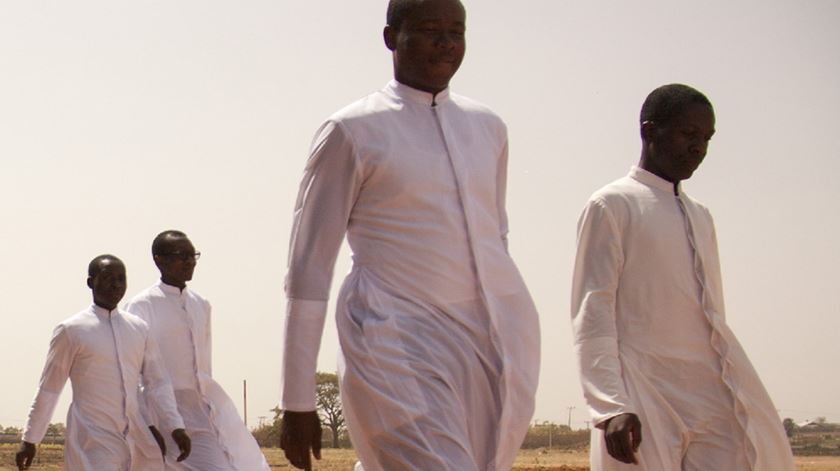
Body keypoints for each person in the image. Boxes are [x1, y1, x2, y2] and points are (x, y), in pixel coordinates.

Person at [279, 0, 540, 470]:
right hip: (390, 334)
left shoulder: (488, 127)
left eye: (456, 31)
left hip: (480, 341)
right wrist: (298, 399)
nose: (446, 42)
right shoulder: (352, 130)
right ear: (390, 37)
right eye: (428, 30)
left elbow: (493, 236)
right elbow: (308, 268)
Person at [571, 83, 795, 470]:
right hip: (644, 389)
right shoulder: (612, 204)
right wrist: (611, 405)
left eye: (706, 138)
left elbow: (714, 313)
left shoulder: (701, 216)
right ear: (649, 130)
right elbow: (593, 309)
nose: (699, 148)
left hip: (709, 390)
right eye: (689, 134)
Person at [16, 255, 190, 471]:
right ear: (91, 282)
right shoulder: (71, 330)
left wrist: (175, 426)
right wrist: (30, 439)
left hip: (137, 438)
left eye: (121, 278)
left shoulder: (139, 329)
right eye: (108, 278)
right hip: (93, 439)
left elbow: (158, 382)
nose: (116, 285)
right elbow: (49, 389)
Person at [125, 230, 270, 471]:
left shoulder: (201, 305)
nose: (190, 262)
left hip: (203, 408)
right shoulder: (141, 305)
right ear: (159, 260)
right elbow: (136, 371)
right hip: (161, 412)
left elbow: (204, 365)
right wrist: (148, 424)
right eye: (182, 256)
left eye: (193, 255)